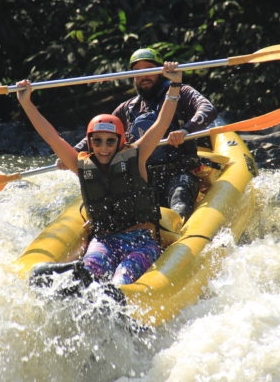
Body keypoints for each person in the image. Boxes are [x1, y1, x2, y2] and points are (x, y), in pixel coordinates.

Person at [16, 62, 182, 288]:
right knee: (91, 269)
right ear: (90, 142)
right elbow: (52, 137)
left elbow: (161, 124)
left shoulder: (137, 156)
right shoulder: (81, 164)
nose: (104, 148)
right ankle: (71, 279)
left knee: (121, 278)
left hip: (141, 242)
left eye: (110, 141)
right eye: (97, 141)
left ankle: (113, 292)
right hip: (104, 240)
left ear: (120, 142)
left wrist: (174, 85)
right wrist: (26, 104)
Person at [66, 48, 220, 220]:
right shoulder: (128, 108)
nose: (144, 76)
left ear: (160, 72)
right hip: (141, 176)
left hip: (179, 171)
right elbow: (99, 132)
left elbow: (208, 109)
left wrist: (186, 130)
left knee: (180, 202)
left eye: (149, 69)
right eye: (138, 72)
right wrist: (71, 153)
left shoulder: (181, 92)